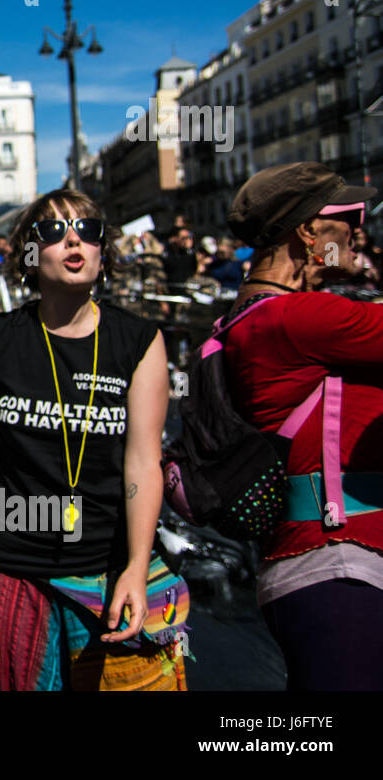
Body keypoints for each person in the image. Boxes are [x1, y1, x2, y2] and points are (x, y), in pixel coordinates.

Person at [0, 188, 186, 691]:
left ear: (104, 252)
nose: (74, 239)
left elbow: (144, 462)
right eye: (54, 232)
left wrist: (136, 569)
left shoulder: (139, 339)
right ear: (29, 257)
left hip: (105, 567)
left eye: (88, 229)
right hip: (15, 570)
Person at [221, 163, 383, 690]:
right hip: (339, 564)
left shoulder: (248, 316)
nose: (358, 232)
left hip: (317, 564)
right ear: (308, 232)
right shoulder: (302, 319)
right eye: (347, 219)